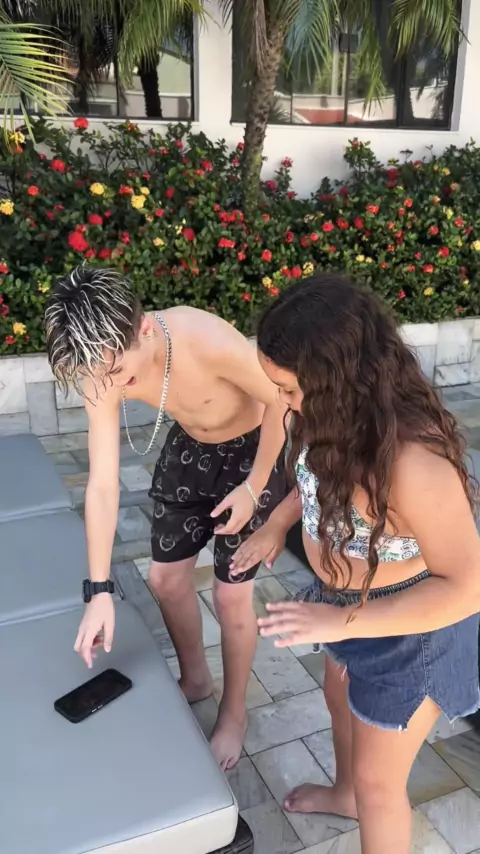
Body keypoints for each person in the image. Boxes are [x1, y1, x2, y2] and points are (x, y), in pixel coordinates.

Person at [230, 274, 480, 854]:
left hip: (411, 631)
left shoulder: (413, 463)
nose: (281, 403)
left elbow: (467, 586)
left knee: (378, 785)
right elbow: (317, 484)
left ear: (337, 382)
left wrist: (338, 621)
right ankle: (343, 794)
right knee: (339, 699)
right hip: (347, 604)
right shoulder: (325, 416)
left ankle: (357, 793)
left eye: (289, 391)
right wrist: (276, 523)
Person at [45, 265, 287, 770]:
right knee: (165, 580)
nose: (112, 385)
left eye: (121, 372)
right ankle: (196, 678)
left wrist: (254, 486)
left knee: (230, 594)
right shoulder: (100, 369)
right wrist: (98, 590)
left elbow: (282, 404)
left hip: (253, 455)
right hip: (191, 450)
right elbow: (103, 484)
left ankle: (234, 711)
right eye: (102, 375)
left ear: (145, 329)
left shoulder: (203, 338)